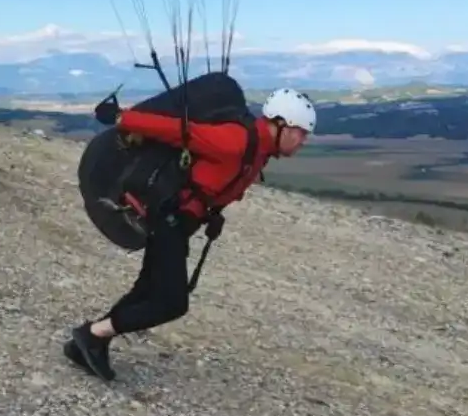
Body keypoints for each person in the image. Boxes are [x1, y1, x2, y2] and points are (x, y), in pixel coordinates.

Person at [65, 86, 316, 381]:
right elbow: (180, 131)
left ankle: (84, 345)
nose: (303, 141)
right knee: (171, 302)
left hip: (180, 221)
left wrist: (212, 213)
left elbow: (216, 181)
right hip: (167, 216)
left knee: (148, 289)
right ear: (281, 124)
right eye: (300, 132)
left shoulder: (259, 151)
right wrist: (123, 118)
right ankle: (92, 335)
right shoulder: (237, 141)